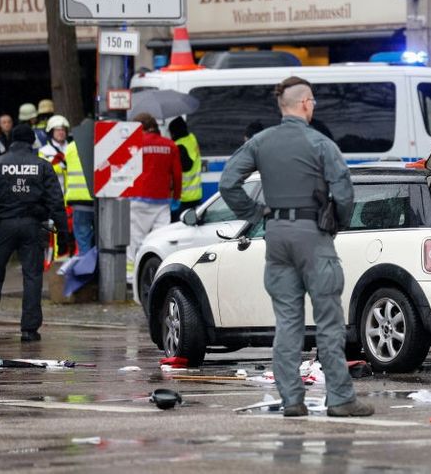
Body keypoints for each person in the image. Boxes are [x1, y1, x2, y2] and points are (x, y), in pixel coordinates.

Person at [219, 76, 373, 418]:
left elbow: (228, 183)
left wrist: (257, 214)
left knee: (287, 323)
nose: (313, 106)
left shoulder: (261, 142)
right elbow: (344, 192)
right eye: (313, 102)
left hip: (276, 236)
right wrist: (339, 222)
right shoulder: (320, 143)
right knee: (329, 322)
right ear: (304, 104)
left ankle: (292, 400)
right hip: (313, 234)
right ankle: (340, 399)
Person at [0, 124, 70, 341]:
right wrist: (63, 234)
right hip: (32, 226)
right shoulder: (42, 166)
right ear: (31, 141)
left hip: (3, 226)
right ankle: (29, 330)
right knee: (32, 276)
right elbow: (56, 202)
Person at [127, 114, 181, 282]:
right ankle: (161, 272)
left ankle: (131, 275)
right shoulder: (170, 145)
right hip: (162, 200)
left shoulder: (135, 144)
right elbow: (177, 175)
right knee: (161, 239)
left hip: (138, 198)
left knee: (135, 238)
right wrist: (176, 197)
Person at [63, 139, 95, 255]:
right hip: (98, 199)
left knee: (82, 236)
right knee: (102, 238)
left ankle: (86, 266)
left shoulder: (70, 147)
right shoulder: (101, 141)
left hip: (78, 199)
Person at [167, 116, 202, 222]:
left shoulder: (179, 147)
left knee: (178, 229)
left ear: (174, 132)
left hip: (183, 197)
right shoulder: (192, 138)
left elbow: (184, 167)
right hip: (196, 195)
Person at [38, 115, 70, 193]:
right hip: (54, 195)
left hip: (72, 197)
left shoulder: (73, 148)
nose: (61, 132)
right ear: (51, 131)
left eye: (63, 130)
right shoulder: (44, 151)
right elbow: (43, 172)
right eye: (57, 130)